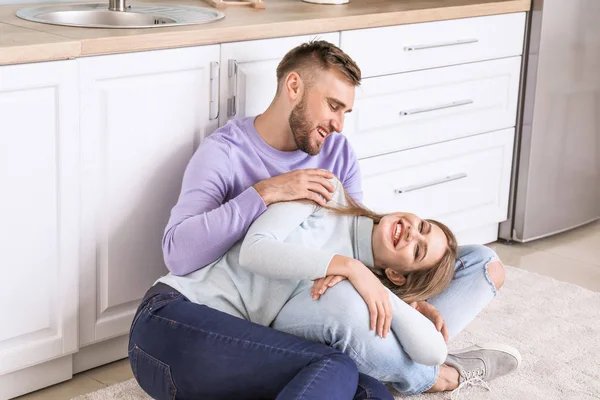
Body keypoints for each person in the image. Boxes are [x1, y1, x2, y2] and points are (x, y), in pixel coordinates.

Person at [128, 40, 519, 399]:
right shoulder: (236, 158)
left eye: (345, 112)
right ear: (293, 87)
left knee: (374, 388)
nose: (338, 126)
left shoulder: (336, 153)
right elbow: (189, 255)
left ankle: (408, 357)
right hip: (182, 316)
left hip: (272, 326)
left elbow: (359, 234)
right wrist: (267, 193)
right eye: (333, 106)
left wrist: (403, 299)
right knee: (340, 351)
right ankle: (429, 376)